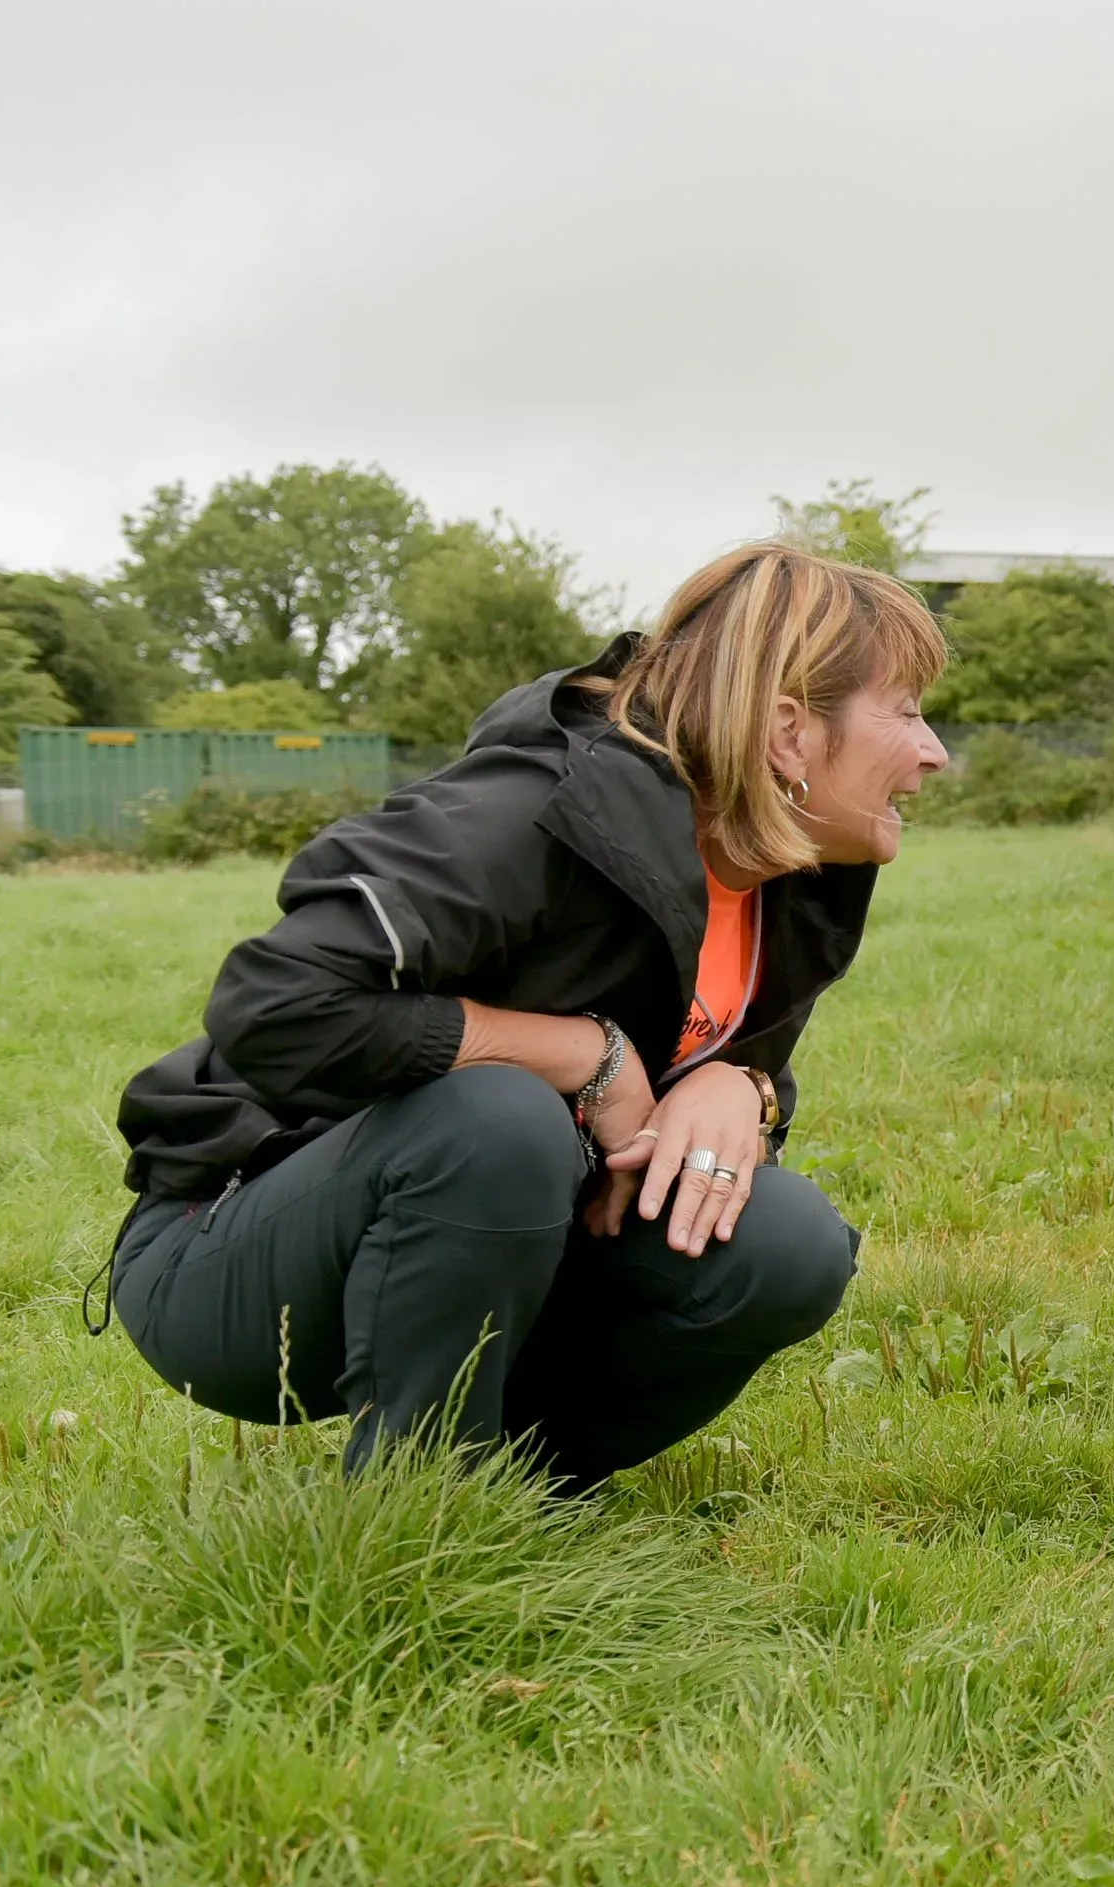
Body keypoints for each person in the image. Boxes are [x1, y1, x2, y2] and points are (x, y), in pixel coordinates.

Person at [103, 542, 951, 1486]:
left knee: (787, 1244)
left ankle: (507, 1501)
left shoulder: (793, 869)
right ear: (789, 731)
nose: (933, 752)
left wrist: (741, 1087)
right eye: (906, 711)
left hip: (521, 1240)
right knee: (499, 1116)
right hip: (234, 1254)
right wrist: (582, 1054)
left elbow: (703, 1047)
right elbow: (274, 1006)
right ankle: (414, 1502)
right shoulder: (534, 810)